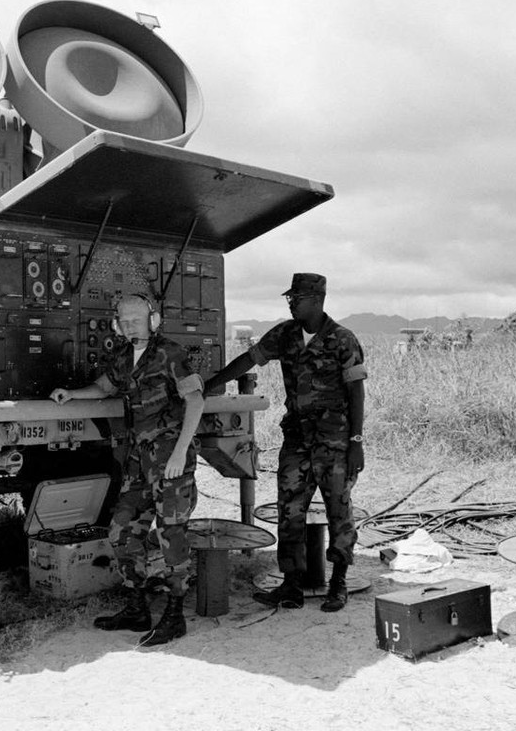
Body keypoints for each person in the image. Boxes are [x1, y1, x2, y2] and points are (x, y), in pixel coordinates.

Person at [204, 273, 366, 613]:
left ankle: (338, 583)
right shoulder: (285, 334)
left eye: (298, 297)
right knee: (289, 511)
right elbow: (249, 359)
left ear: (318, 299)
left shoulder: (342, 340)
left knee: (339, 511)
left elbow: (356, 391)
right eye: (289, 298)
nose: (291, 302)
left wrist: (356, 442)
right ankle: (291, 585)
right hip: (296, 441)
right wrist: (212, 384)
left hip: (334, 443)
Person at [49, 293, 205, 645]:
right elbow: (105, 386)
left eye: (137, 319)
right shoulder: (122, 355)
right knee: (121, 529)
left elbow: (196, 401)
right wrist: (73, 394)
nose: (131, 325)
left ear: (153, 319)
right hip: (139, 459)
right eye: (125, 321)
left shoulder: (171, 353)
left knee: (171, 534)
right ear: (117, 324)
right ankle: (136, 608)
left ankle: (175, 614)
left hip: (170, 460)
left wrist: (181, 452)